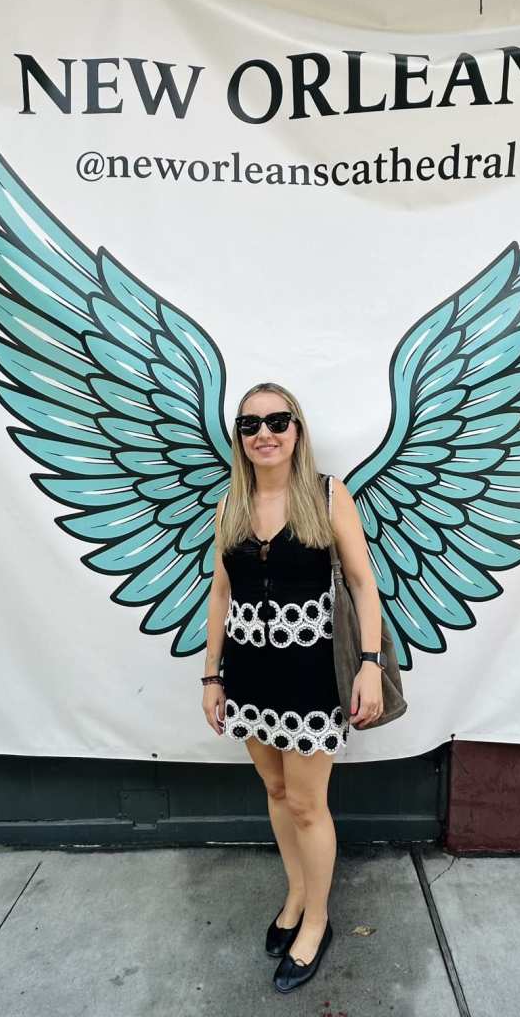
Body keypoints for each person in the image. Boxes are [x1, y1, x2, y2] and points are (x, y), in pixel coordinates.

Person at [201, 381, 385, 993]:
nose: (264, 434)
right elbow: (221, 594)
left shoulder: (328, 495)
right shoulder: (230, 504)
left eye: (277, 421)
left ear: (297, 429)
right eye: (250, 425)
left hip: (309, 679)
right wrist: (211, 675)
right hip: (249, 677)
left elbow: (363, 584)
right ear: (240, 438)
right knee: (276, 791)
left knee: (308, 803)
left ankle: (319, 921)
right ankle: (297, 894)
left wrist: (368, 664)